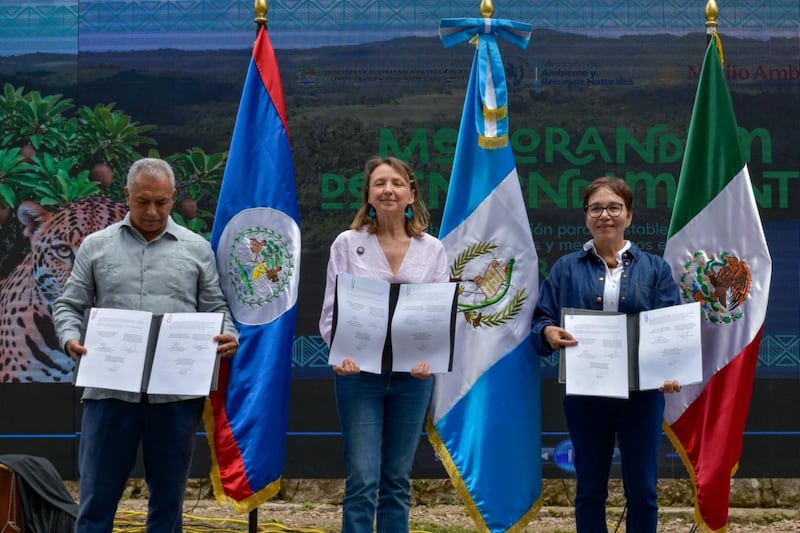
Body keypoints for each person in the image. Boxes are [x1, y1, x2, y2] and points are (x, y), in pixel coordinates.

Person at [53, 158, 239, 533]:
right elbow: (68, 305)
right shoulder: (96, 246)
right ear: (127, 196)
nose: (152, 211)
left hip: (174, 398)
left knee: (168, 504)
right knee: (95, 502)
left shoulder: (196, 248)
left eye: (161, 202)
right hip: (108, 394)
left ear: (173, 198)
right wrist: (70, 337)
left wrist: (228, 334)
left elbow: (216, 308)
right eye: (142, 202)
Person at [531, 176, 682, 533]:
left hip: (641, 395)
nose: (605, 215)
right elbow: (541, 321)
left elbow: (671, 327)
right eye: (596, 208)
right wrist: (549, 332)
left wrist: (672, 368)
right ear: (586, 217)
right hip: (586, 393)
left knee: (643, 489)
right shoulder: (565, 268)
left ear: (629, 215)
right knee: (590, 488)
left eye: (614, 207)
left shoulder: (655, 269)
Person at [319, 156, 448, 533]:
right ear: (369, 195)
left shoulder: (433, 249)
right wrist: (339, 353)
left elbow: (438, 315)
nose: (388, 190)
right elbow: (331, 310)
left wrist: (431, 358)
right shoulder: (347, 243)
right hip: (358, 375)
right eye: (379, 184)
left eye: (396, 183)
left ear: (411, 194)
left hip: (413, 378)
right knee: (362, 478)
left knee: (396, 480)